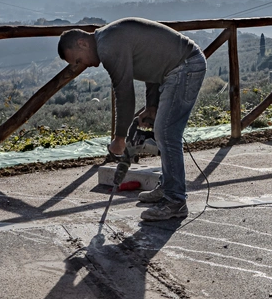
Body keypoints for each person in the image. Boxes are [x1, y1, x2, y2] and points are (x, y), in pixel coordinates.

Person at [58, 17, 206, 222]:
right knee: (163, 132)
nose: (82, 65)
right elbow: (153, 63)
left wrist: (120, 138)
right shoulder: (109, 38)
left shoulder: (108, 46)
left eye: (77, 60)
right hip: (176, 68)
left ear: (82, 43)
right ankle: (168, 188)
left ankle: (175, 202)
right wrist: (152, 106)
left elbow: (124, 92)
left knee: (167, 133)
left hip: (185, 66)